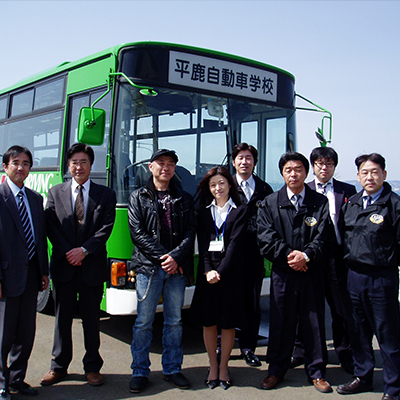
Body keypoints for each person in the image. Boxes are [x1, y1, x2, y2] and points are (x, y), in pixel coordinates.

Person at [257, 151, 335, 394]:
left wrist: (306, 256)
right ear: (282, 173)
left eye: (299, 169)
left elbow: (325, 237)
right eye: (289, 170)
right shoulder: (270, 202)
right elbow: (265, 238)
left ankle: (317, 371)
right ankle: (276, 370)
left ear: (306, 172)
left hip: (311, 272)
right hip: (283, 273)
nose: (294, 174)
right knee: (282, 321)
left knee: (313, 322)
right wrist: (291, 256)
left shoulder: (319, 202)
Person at [41, 143, 117, 387]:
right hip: (64, 266)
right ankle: (59, 366)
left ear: (91, 165)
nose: (79, 166)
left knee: (91, 320)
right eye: (74, 162)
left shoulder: (105, 194)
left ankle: (92, 367)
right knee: (62, 319)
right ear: (68, 165)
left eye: (83, 161)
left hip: (91, 267)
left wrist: (84, 251)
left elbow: (106, 228)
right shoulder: (55, 192)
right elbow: (51, 226)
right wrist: (69, 252)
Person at [128, 149, 196, 394]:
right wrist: (163, 257)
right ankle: (140, 371)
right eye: (161, 163)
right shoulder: (138, 197)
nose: (165, 168)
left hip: (176, 270)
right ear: (150, 167)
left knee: (175, 321)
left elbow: (190, 232)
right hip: (148, 269)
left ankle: (172, 368)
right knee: (143, 322)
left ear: (174, 169)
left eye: (170, 164)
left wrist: (175, 257)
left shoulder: (185, 198)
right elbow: (137, 233)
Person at [336, 153, 400, 400]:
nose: (370, 176)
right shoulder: (351, 202)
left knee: (387, 334)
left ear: (384, 174)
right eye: (365, 172)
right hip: (354, 276)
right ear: (358, 176)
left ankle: (393, 388)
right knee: (358, 332)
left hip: (381, 277)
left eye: (375, 171)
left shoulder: (393, 204)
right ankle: (363, 377)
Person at [291, 147, 356, 373]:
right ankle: (300, 351)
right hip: (311, 257)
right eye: (319, 164)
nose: (324, 168)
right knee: (307, 307)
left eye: (328, 164)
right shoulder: (304, 189)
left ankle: (344, 351)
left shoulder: (347, 190)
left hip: (337, 257)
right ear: (313, 167)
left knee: (340, 309)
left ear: (334, 167)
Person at [191, 166, 248, 390]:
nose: (217, 188)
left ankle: (224, 366)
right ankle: (212, 366)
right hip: (208, 276)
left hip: (230, 275)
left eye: (221, 183)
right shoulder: (204, 212)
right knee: (209, 321)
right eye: (213, 184)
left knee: (227, 323)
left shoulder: (241, 210)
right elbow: (204, 245)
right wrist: (208, 271)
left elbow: (235, 246)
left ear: (230, 185)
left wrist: (220, 271)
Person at [0, 146, 49, 399]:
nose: (21, 167)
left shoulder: (34, 198)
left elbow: (39, 238)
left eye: (26, 163)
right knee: (3, 336)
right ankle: (1, 383)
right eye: (16, 162)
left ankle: (17, 379)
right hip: (6, 278)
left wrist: (44, 271)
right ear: (5, 166)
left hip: (31, 277)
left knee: (25, 334)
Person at [231, 143, 273, 367]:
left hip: (254, 257)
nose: (244, 162)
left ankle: (248, 348)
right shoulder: (224, 186)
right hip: (227, 257)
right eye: (240, 158)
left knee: (252, 304)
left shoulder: (264, 189)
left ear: (254, 162)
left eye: (248, 158)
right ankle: (222, 346)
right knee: (225, 302)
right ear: (234, 161)